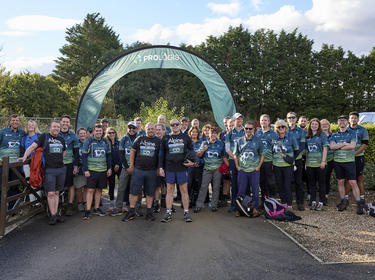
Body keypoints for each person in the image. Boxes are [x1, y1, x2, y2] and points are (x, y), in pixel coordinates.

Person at [20, 121, 66, 225]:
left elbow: (64, 151)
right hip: (49, 170)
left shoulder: (61, 139)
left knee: (57, 192)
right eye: (54, 126)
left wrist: (59, 161)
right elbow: (32, 147)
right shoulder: (44, 137)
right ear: (50, 127)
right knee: (50, 193)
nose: (56, 128)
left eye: (58, 127)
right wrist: (24, 157)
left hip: (60, 169)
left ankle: (57, 214)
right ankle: (53, 214)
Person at [122, 122, 160, 222]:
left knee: (150, 192)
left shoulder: (158, 141)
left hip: (151, 171)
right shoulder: (139, 138)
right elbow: (133, 151)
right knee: (134, 191)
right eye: (149, 129)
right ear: (145, 129)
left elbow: (161, 156)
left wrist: (158, 168)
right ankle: (131, 212)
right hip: (138, 170)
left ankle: (149, 212)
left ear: (155, 130)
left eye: (152, 129)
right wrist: (131, 165)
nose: (151, 130)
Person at [159, 119, 195, 223]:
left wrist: (193, 163)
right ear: (169, 126)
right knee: (169, 191)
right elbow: (161, 154)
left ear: (180, 125)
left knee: (184, 191)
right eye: (172, 125)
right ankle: (168, 213)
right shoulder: (166, 138)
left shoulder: (185, 137)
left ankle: (186, 212)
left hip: (182, 168)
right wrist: (161, 167)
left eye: (176, 124)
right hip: (169, 168)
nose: (174, 126)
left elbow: (192, 151)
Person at [330, 115, 366, 214]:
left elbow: (352, 146)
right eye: (340, 120)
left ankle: (359, 204)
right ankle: (343, 202)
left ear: (347, 122)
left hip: (349, 162)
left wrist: (339, 146)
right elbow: (332, 146)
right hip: (338, 162)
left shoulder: (352, 133)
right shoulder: (333, 135)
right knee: (340, 182)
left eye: (344, 120)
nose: (342, 122)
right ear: (337, 123)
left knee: (353, 183)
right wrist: (345, 144)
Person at [194, 126, 228, 213]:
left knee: (216, 188)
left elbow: (224, 156)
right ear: (208, 134)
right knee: (203, 187)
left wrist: (229, 166)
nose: (213, 135)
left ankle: (214, 205)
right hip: (207, 169)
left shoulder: (221, 144)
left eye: (214, 133)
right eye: (211, 133)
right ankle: (199, 205)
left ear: (217, 134)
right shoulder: (204, 143)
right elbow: (198, 155)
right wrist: (203, 150)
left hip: (217, 169)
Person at [82, 124, 112, 220]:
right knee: (90, 190)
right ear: (94, 131)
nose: (99, 132)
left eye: (100, 131)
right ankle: (87, 210)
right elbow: (84, 156)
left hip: (103, 170)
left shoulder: (105, 142)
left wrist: (109, 168)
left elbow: (109, 156)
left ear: (102, 132)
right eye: (97, 131)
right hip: (92, 170)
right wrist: (86, 169)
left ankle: (96, 208)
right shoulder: (88, 141)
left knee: (99, 190)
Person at [234, 121, 264, 216]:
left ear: (253, 129)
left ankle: (254, 209)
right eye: (246, 128)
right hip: (243, 170)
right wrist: (237, 167)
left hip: (254, 170)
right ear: (244, 129)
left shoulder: (258, 140)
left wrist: (258, 167)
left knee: (255, 190)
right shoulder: (239, 141)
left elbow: (262, 154)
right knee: (241, 190)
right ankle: (240, 209)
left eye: (250, 128)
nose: (248, 130)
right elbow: (236, 155)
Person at [110, 121, 138, 216]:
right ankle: (118, 207)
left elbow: (140, 155)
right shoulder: (124, 139)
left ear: (136, 129)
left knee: (136, 188)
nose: (131, 129)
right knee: (121, 187)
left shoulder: (139, 138)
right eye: (130, 128)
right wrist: (127, 167)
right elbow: (121, 154)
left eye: (133, 128)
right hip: (125, 167)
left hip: (136, 168)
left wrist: (134, 166)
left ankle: (137, 207)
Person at [272, 119, 299, 209]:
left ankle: (289, 203)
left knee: (287, 185)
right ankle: (283, 202)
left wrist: (291, 160)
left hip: (287, 166)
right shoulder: (274, 138)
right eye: (279, 127)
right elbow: (272, 151)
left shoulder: (291, 137)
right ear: (276, 128)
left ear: (286, 127)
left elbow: (296, 150)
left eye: (283, 126)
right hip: (277, 165)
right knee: (280, 185)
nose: (281, 128)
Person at [0, 114, 25, 209]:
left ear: (19, 122)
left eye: (17, 120)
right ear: (10, 121)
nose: (15, 122)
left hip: (16, 165)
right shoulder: (2, 132)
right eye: (13, 120)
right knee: (2, 186)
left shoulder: (22, 133)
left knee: (14, 186)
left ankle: (12, 208)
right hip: (3, 164)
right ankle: (1, 209)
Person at [345, 112, 369, 204]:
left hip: (358, 157)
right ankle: (346, 198)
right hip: (347, 158)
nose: (353, 119)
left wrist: (354, 153)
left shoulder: (363, 130)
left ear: (358, 119)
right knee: (347, 178)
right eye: (352, 118)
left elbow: (364, 144)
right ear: (349, 119)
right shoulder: (345, 130)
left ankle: (362, 197)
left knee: (359, 178)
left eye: (355, 118)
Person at [305, 118, 328, 211]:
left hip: (320, 164)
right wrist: (306, 163)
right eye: (312, 124)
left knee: (321, 184)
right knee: (312, 184)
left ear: (319, 126)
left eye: (316, 124)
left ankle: (322, 201)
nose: (314, 125)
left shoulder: (322, 135)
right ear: (310, 126)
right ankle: (313, 201)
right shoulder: (308, 136)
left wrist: (323, 161)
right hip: (310, 164)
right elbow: (306, 151)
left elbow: (325, 148)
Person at [254, 114, 278, 203]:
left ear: (269, 122)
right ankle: (264, 202)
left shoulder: (274, 134)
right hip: (259, 162)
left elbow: (276, 149)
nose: (263, 122)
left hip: (269, 161)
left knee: (271, 182)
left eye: (265, 120)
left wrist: (273, 162)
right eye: (262, 120)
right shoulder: (257, 133)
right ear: (260, 122)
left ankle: (272, 200)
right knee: (262, 182)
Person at [59, 115, 79, 216]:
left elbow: (76, 153)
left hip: (69, 164)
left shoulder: (73, 136)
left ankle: (70, 205)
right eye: (64, 122)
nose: (65, 124)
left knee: (70, 185)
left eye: (67, 122)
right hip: (57, 165)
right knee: (59, 185)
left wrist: (76, 166)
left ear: (69, 124)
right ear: (60, 122)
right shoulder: (55, 133)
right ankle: (59, 205)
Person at [225, 112, 245, 212]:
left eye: (241, 119)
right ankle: (233, 204)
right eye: (238, 119)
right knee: (234, 183)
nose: (240, 121)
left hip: (245, 162)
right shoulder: (229, 133)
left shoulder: (246, 131)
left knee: (244, 183)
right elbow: (227, 149)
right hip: (233, 161)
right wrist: (236, 158)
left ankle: (244, 204)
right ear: (234, 121)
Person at [286, 112, 306, 210]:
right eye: (289, 118)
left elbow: (302, 146)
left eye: (293, 117)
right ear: (287, 119)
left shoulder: (301, 131)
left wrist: (293, 156)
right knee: (287, 182)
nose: (291, 119)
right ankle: (287, 202)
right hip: (285, 161)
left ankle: (300, 203)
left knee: (298, 181)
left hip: (297, 159)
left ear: (296, 119)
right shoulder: (283, 129)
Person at [20, 120, 41, 205]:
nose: (30, 126)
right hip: (27, 164)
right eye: (29, 125)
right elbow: (22, 151)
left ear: (35, 126)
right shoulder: (24, 138)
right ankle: (33, 203)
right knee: (30, 182)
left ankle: (38, 202)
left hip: (37, 163)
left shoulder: (39, 136)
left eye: (32, 125)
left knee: (37, 181)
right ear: (27, 127)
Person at [105, 127, 121, 212]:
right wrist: (110, 167)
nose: (111, 134)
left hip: (119, 166)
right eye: (109, 133)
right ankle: (111, 203)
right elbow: (107, 157)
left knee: (121, 185)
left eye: (113, 132)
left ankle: (121, 203)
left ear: (115, 133)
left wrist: (118, 164)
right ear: (107, 134)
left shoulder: (119, 142)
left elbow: (122, 154)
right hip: (110, 167)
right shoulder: (106, 143)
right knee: (111, 185)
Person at [187, 126, 203, 207]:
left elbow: (203, 155)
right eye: (193, 132)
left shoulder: (201, 142)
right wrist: (190, 163)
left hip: (198, 167)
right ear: (190, 133)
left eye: (196, 132)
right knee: (188, 185)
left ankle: (196, 202)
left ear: (198, 133)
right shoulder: (187, 142)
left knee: (197, 184)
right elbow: (184, 154)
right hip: (189, 167)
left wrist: (199, 162)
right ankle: (187, 202)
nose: (194, 133)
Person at [154, 123, 167, 212]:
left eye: (159, 130)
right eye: (157, 130)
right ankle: (156, 203)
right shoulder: (153, 140)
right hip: (155, 166)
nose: (158, 131)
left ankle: (164, 201)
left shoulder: (167, 140)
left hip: (166, 166)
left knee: (165, 185)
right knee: (157, 185)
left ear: (164, 131)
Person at [73, 128, 88, 212]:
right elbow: (74, 156)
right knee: (79, 187)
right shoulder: (76, 144)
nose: (82, 135)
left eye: (84, 133)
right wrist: (75, 166)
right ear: (78, 135)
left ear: (86, 134)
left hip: (87, 168)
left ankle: (85, 202)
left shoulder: (89, 143)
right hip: (79, 168)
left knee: (86, 187)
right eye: (80, 133)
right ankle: (79, 203)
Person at [321, 119, 334, 205]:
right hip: (320, 160)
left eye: (326, 124)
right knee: (321, 179)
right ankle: (320, 195)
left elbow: (334, 146)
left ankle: (325, 196)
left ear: (329, 125)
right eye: (323, 124)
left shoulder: (333, 136)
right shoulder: (318, 135)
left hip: (330, 160)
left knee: (327, 178)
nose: (325, 125)